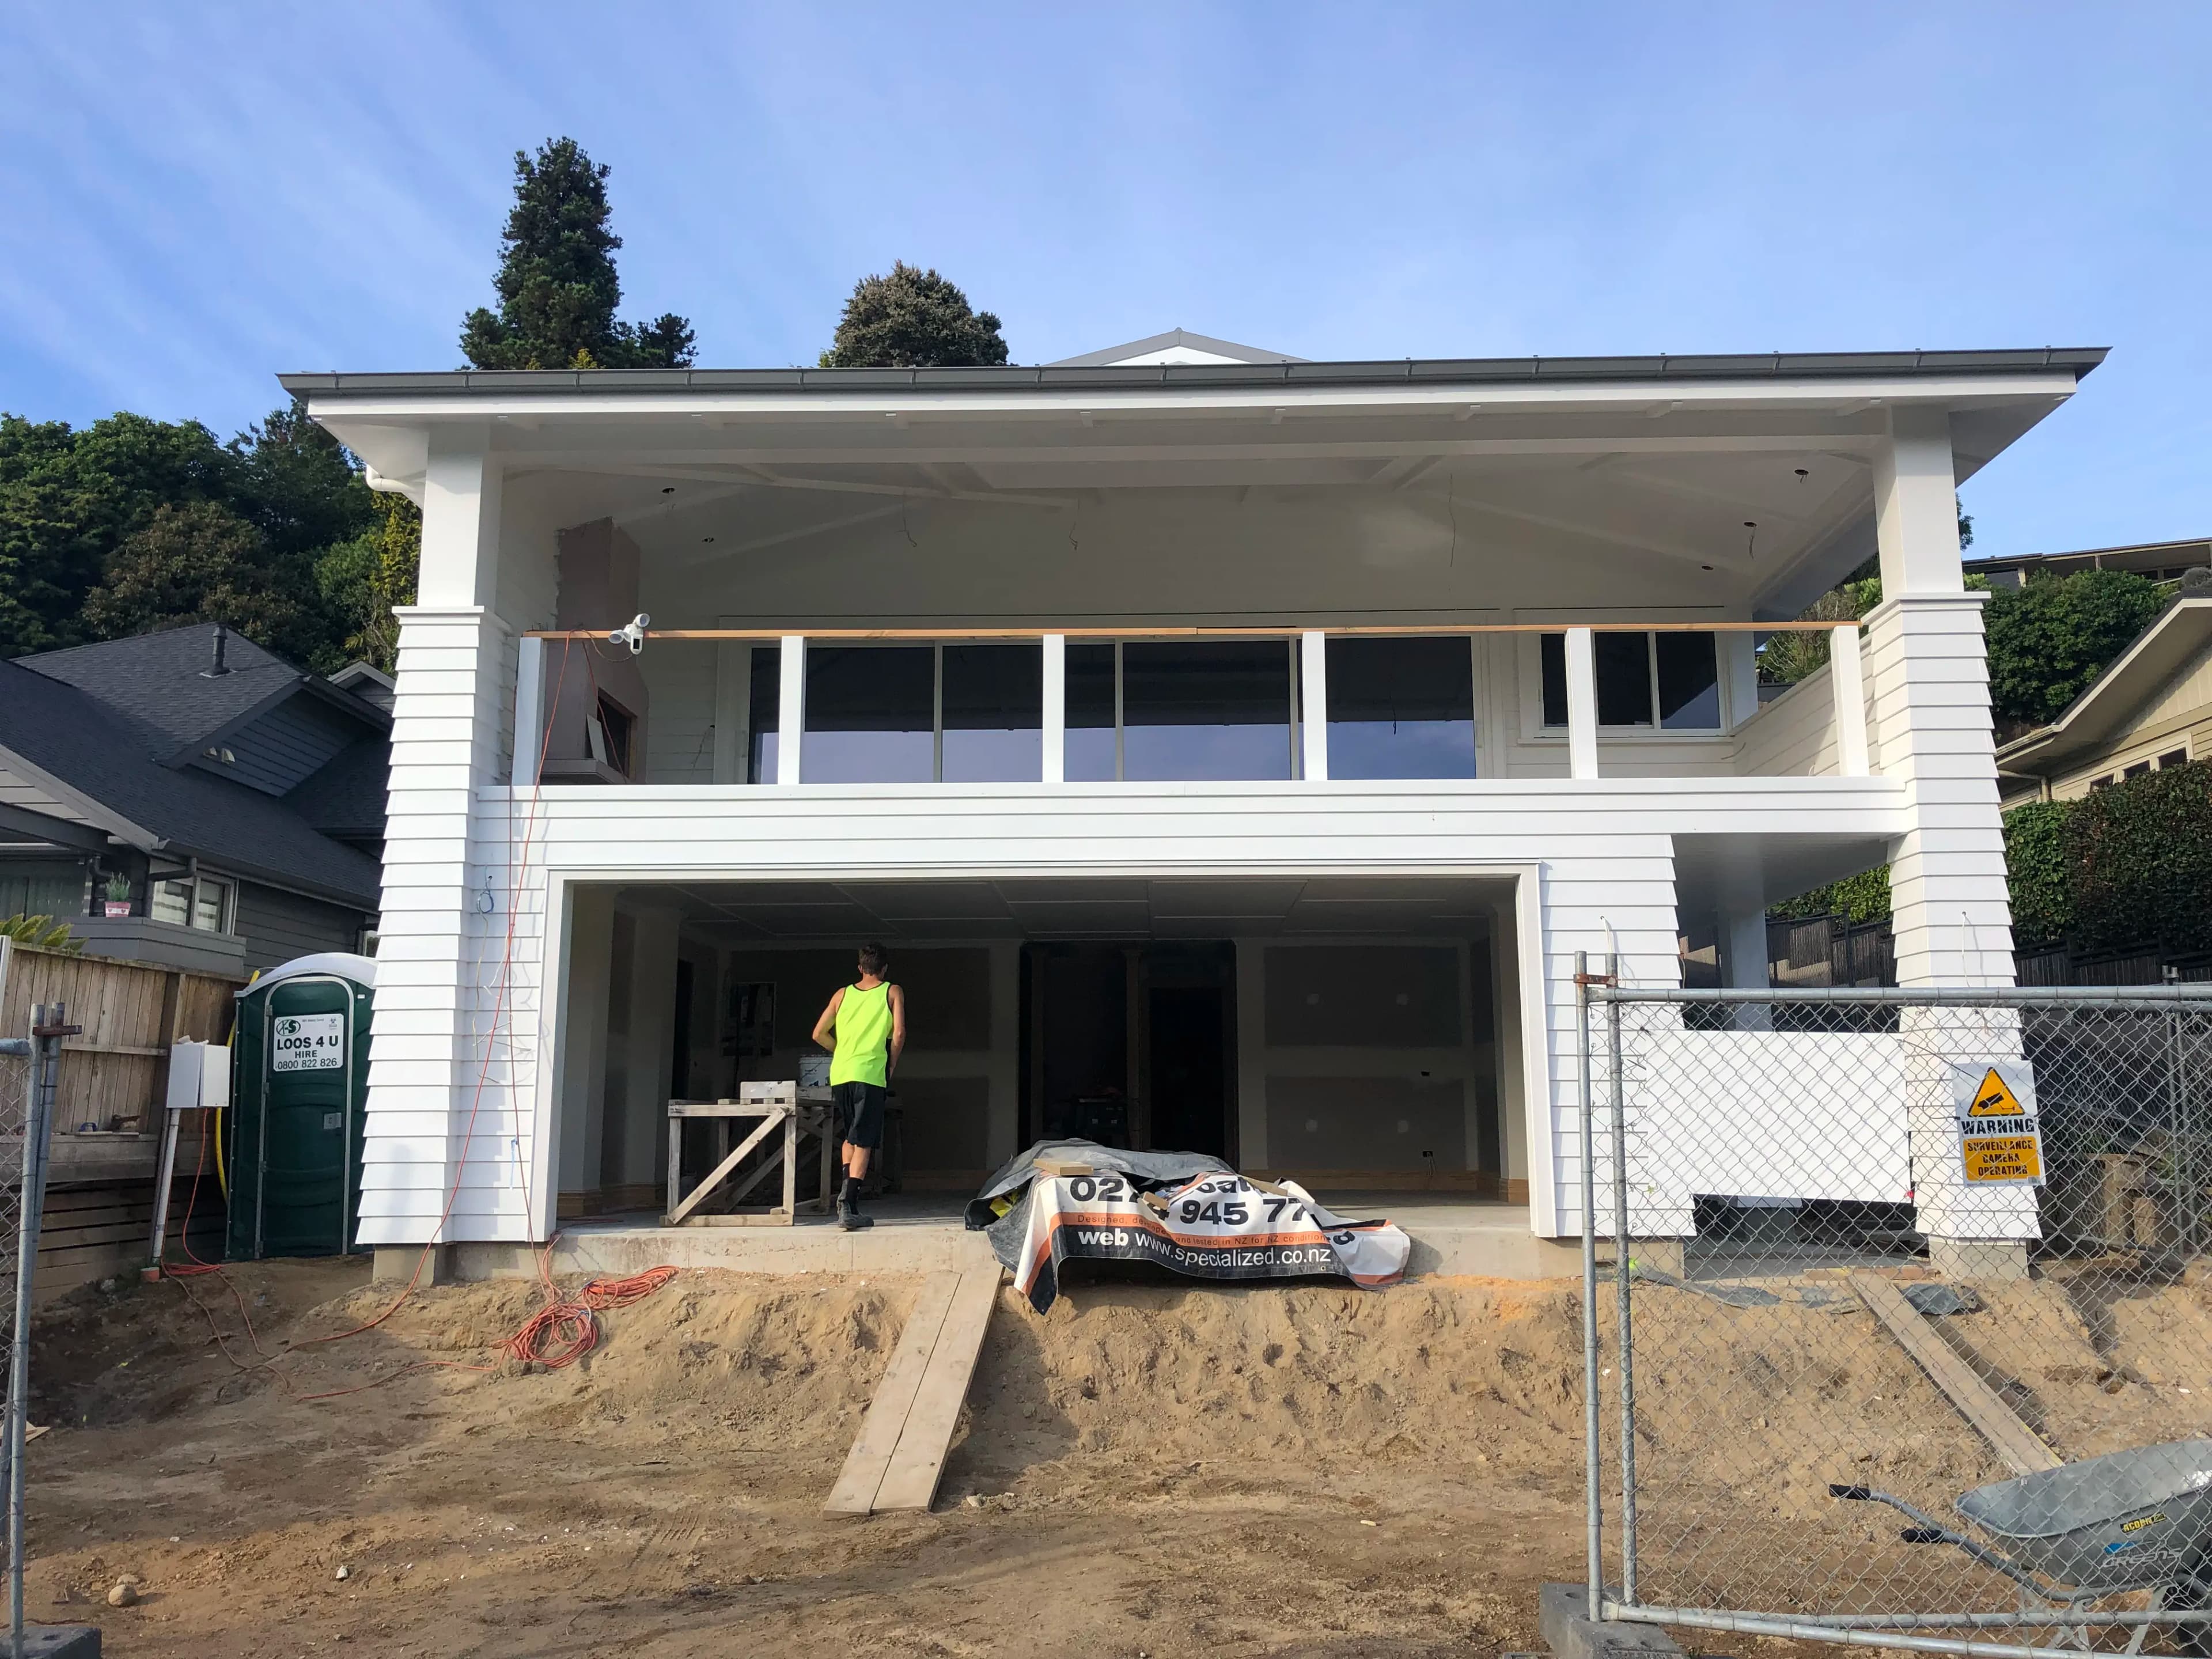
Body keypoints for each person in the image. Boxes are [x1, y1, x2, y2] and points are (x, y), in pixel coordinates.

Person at [810, 942, 906, 1231]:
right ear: (885, 968)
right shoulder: (892, 991)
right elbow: (899, 1033)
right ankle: (849, 1205)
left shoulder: (842, 995)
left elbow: (818, 1033)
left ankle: (845, 1195)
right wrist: (891, 1064)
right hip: (870, 1073)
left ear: (860, 968)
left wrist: (842, 1050)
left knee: (851, 1136)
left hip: (841, 1073)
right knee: (865, 1139)